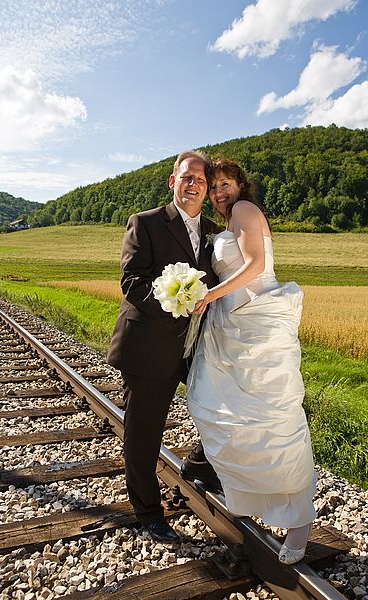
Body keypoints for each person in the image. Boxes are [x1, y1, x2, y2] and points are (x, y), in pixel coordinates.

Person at [185, 158, 317, 564]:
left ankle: (299, 524)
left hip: (256, 321)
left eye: (226, 183)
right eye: (215, 185)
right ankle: (245, 492)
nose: (220, 192)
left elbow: (256, 265)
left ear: (240, 185)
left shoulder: (244, 211)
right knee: (223, 412)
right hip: (231, 325)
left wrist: (208, 295)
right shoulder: (226, 222)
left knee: (274, 422)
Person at [107, 150, 222, 543]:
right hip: (148, 347)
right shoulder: (146, 223)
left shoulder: (213, 232)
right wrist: (175, 301)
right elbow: (132, 283)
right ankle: (148, 513)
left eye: (200, 181)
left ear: (207, 191)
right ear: (173, 182)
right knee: (144, 434)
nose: (193, 185)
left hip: (194, 348)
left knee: (223, 409)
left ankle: (199, 465)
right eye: (186, 177)